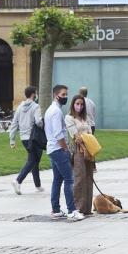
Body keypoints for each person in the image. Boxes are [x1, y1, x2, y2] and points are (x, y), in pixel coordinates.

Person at [44, 84, 84, 221]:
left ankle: (56, 209)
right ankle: (72, 211)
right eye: (63, 95)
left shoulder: (51, 110)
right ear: (56, 95)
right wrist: (65, 149)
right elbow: (58, 134)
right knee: (69, 179)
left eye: (66, 94)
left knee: (57, 179)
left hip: (53, 149)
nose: (65, 97)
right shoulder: (56, 111)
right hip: (58, 149)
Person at [10, 86, 44, 195]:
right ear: (34, 94)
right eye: (36, 93)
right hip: (34, 138)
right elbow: (38, 122)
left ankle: (38, 185)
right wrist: (43, 122)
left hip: (24, 138)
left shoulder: (20, 107)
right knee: (32, 161)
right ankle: (18, 180)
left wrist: (12, 139)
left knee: (35, 160)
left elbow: (14, 123)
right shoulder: (36, 106)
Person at [65, 95, 95, 216]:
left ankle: (87, 208)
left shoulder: (85, 117)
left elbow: (90, 133)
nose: (79, 106)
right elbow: (75, 136)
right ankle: (78, 207)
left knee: (89, 177)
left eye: (82, 104)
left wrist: (89, 149)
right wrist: (84, 147)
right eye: (77, 104)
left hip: (89, 148)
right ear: (73, 104)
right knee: (79, 178)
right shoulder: (69, 118)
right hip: (78, 150)